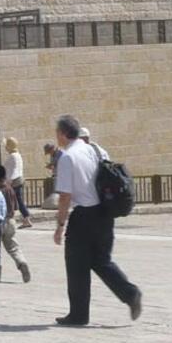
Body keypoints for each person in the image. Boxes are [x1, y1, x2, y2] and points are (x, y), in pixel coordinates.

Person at [53, 114, 142, 326]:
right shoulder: (92, 149)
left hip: (83, 216)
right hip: (104, 213)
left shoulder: (67, 157)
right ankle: (131, 294)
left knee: (77, 265)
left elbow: (65, 196)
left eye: (57, 133)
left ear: (63, 134)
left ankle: (78, 314)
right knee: (101, 261)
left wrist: (60, 225)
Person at [0, 164, 31, 283]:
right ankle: (21, 262)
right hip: (11, 221)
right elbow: (15, 206)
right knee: (13, 246)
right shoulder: (10, 189)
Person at [3, 137, 32, 228]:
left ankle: (11, 219)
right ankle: (26, 218)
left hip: (13, 181)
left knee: (11, 200)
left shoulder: (13, 156)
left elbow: (13, 170)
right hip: (18, 180)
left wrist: (9, 182)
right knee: (18, 200)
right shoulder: (17, 155)